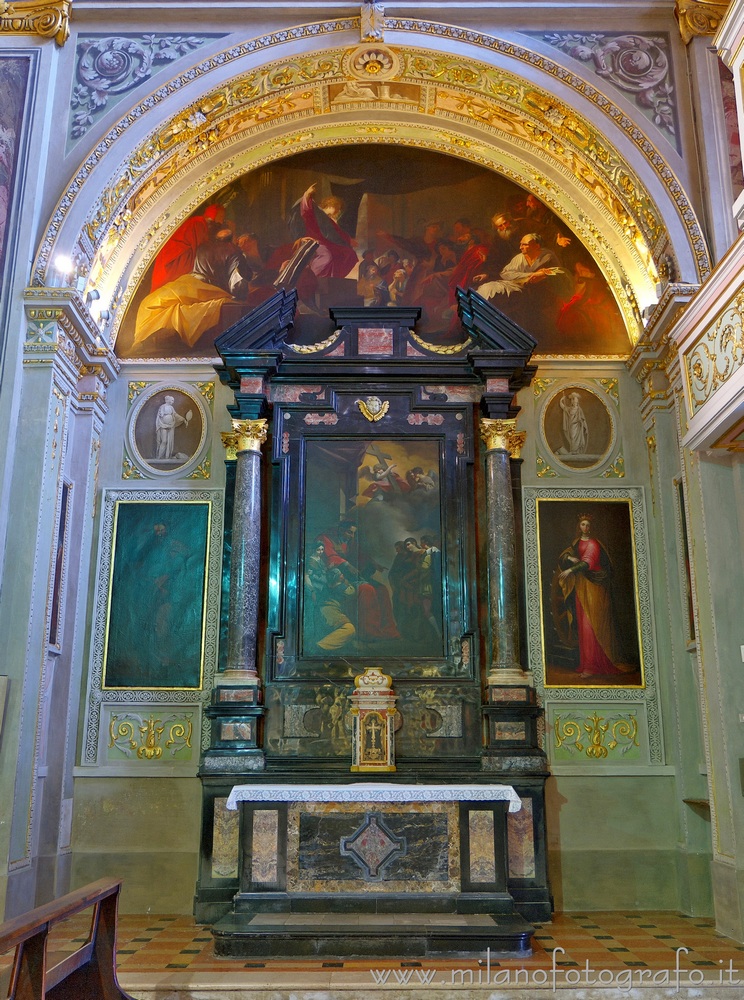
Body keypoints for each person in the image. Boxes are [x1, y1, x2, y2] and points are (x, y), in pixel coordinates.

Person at [133, 229, 253, 350]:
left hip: (189, 281)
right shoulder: (234, 252)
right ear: (231, 239)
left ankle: (144, 335)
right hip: (207, 289)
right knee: (165, 303)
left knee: (154, 301)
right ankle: (148, 336)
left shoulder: (203, 247)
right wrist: (239, 297)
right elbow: (237, 284)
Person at [557, 515, 626, 678]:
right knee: (582, 625)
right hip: (581, 587)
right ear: (579, 526)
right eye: (582, 524)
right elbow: (564, 555)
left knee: (591, 625)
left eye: (588, 525)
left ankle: (594, 666)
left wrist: (570, 570)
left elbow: (588, 562)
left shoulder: (594, 544)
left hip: (595, 588)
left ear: (591, 527)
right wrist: (569, 558)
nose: (585, 527)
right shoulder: (575, 543)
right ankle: (586, 663)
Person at [150, 203, 226, 291]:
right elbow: (201, 250)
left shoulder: (200, 223)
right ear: (213, 214)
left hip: (176, 258)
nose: (221, 221)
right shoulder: (198, 223)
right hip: (176, 260)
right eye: (221, 217)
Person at [291, 182, 358, 279]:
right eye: (335, 208)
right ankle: (312, 278)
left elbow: (336, 233)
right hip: (315, 242)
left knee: (349, 254)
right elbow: (306, 210)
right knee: (326, 256)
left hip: (327, 243)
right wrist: (307, 194)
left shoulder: (330, 221)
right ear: (327, 206)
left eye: (339, 210)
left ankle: (331, 279)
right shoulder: (316, 214)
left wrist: (348, 239)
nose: (337, 212)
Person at [155, 395, 191, 459]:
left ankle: (167, 456)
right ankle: (159, 457)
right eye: (172, 400)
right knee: (164, 441)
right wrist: (163, 418)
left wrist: (183, 419)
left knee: (169, 441)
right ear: (167, 400)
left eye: (173, 400)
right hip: (163, 425)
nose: (173, 402)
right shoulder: (162, 407)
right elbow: (160, 416)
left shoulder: (171, 408)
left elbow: (175, 414)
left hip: (171, 425)